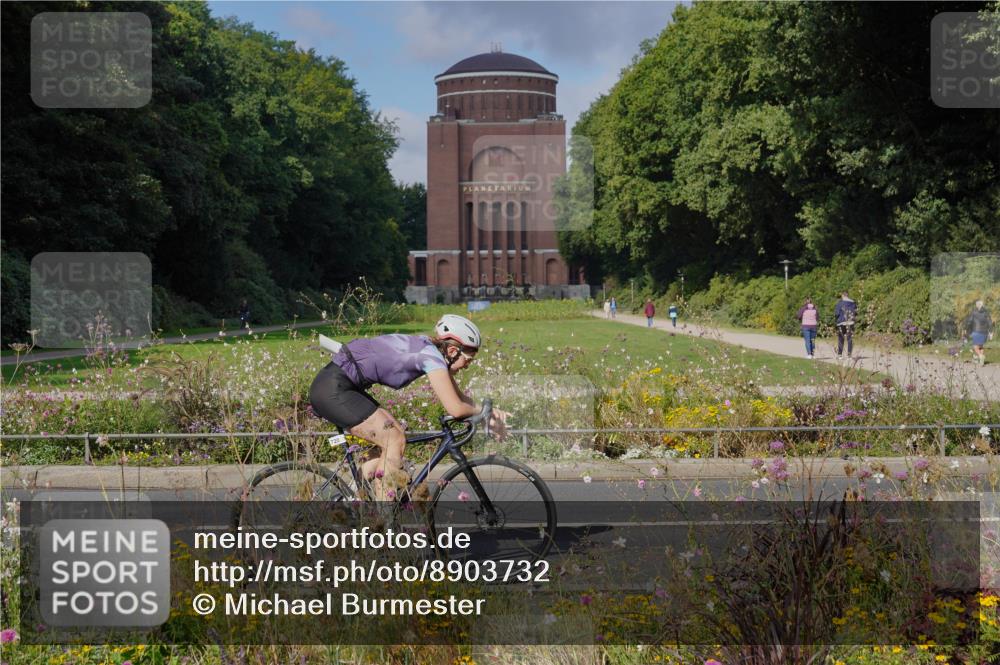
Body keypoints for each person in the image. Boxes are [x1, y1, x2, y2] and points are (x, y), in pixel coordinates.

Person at [309, 314, 508, 498]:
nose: (467, 365)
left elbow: (459, 398)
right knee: (394, 439)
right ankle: (384, 522)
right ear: (454, 351)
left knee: (391, 440)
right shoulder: (431, 357)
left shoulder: (431, 350)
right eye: (468, 359)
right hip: (333, 389)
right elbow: (455, 408)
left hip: (339, 385)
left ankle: (356, 499)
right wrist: (483, 413)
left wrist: (487, 412)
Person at [965, 300, 993, 366]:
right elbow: (990, 323)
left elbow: (969, 321)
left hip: (976, 331)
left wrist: (966, 329)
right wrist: (991, 332)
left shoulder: (974, 312)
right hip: (984, 332)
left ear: (977, 305)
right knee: (980, 346)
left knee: (975, 347)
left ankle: (981, 356)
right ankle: (981, 362)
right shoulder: (986, 312)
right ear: (982, 305)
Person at [833, 292, 857, 360]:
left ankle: (840, 355)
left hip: (842, 322)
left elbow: (836, 313)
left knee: (841, 338)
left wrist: (837, 318)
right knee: (849, 339)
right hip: (850, 322)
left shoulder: (840, 303)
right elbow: (855, 312)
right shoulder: (853, 303)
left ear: (843, 296)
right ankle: (849, 355)